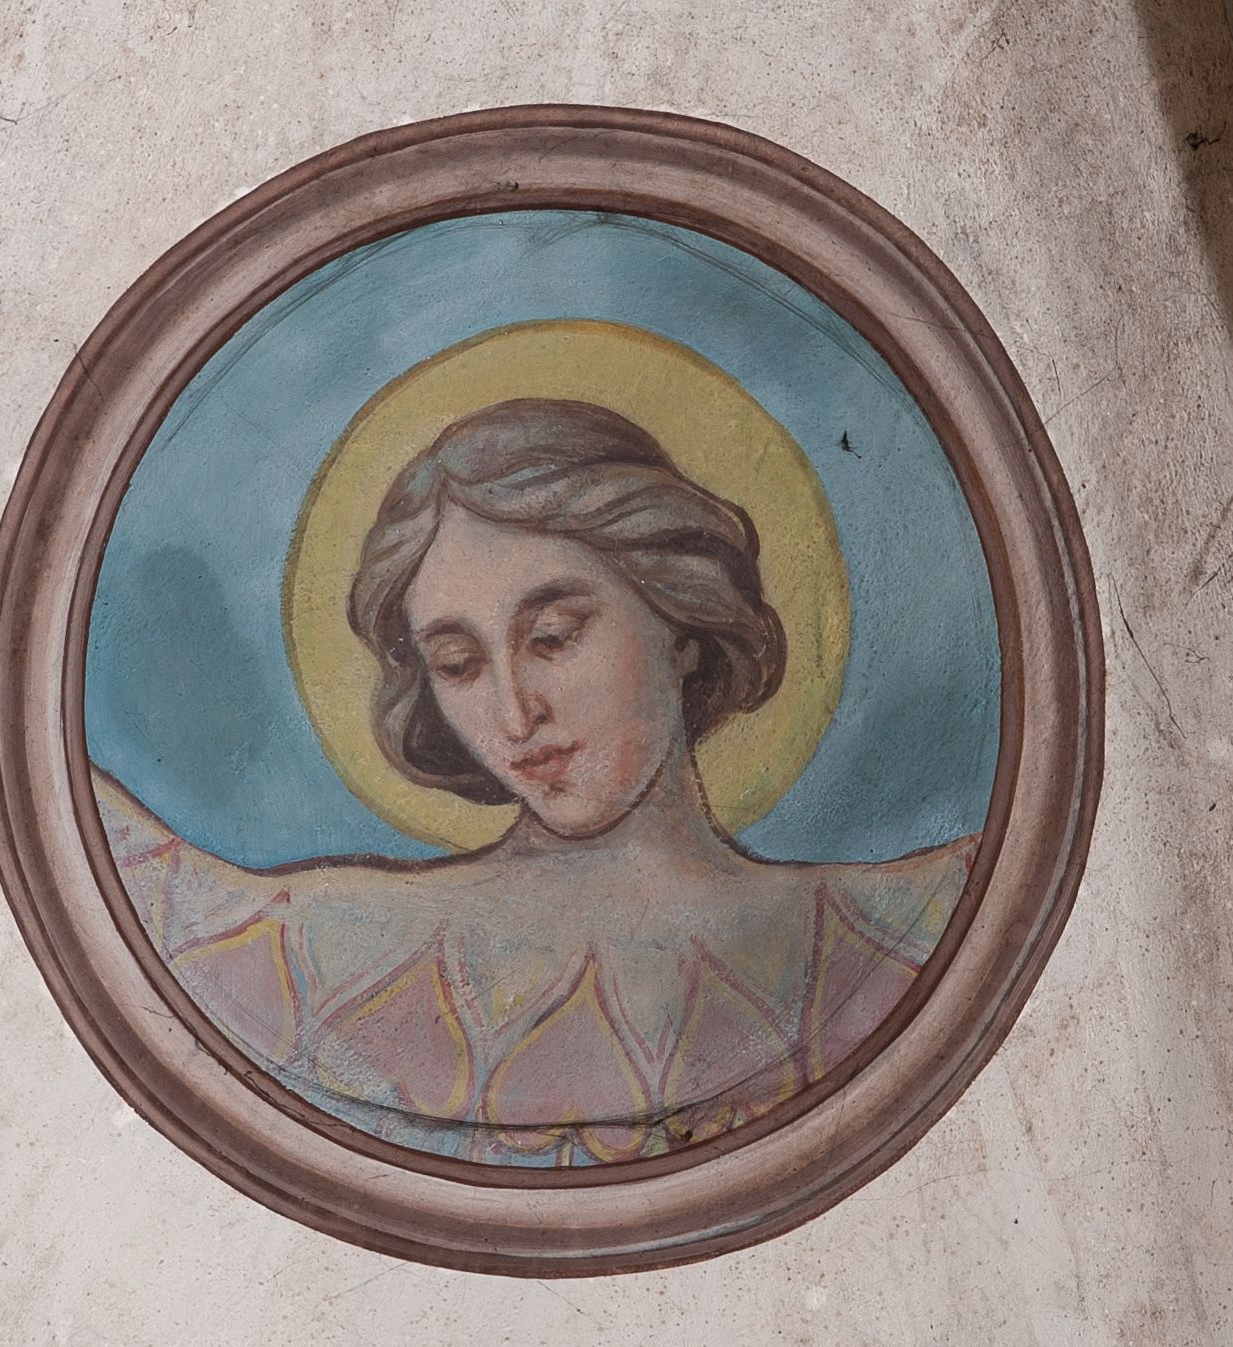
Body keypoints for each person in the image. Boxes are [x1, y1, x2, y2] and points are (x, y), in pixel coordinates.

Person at [94, 399, 978, 1167]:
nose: (514, 716)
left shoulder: (879, 932)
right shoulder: (336, 952)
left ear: (681, 621)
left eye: (552, 636)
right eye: (458, 662)